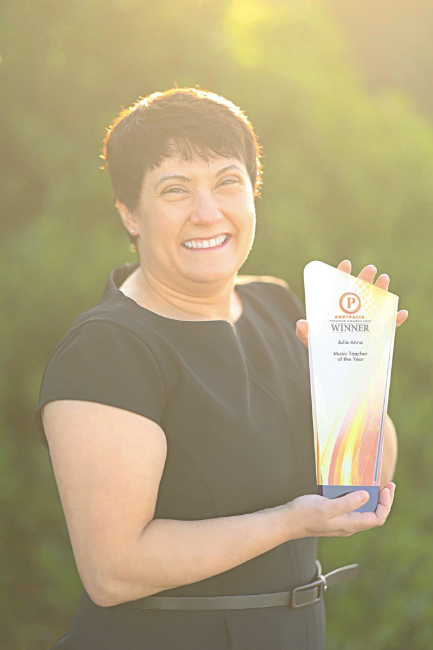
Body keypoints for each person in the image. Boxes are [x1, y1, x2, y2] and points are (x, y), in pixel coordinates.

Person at [33, 87, 404, 650]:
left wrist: (355, 380)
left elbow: (366, 485)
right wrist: (290, 522)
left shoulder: (278, 304)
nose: (207, 212)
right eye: (175, 189)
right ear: (130, 214)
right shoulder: (105, 350)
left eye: (227, 181)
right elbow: (113, 571)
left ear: (253, 192)